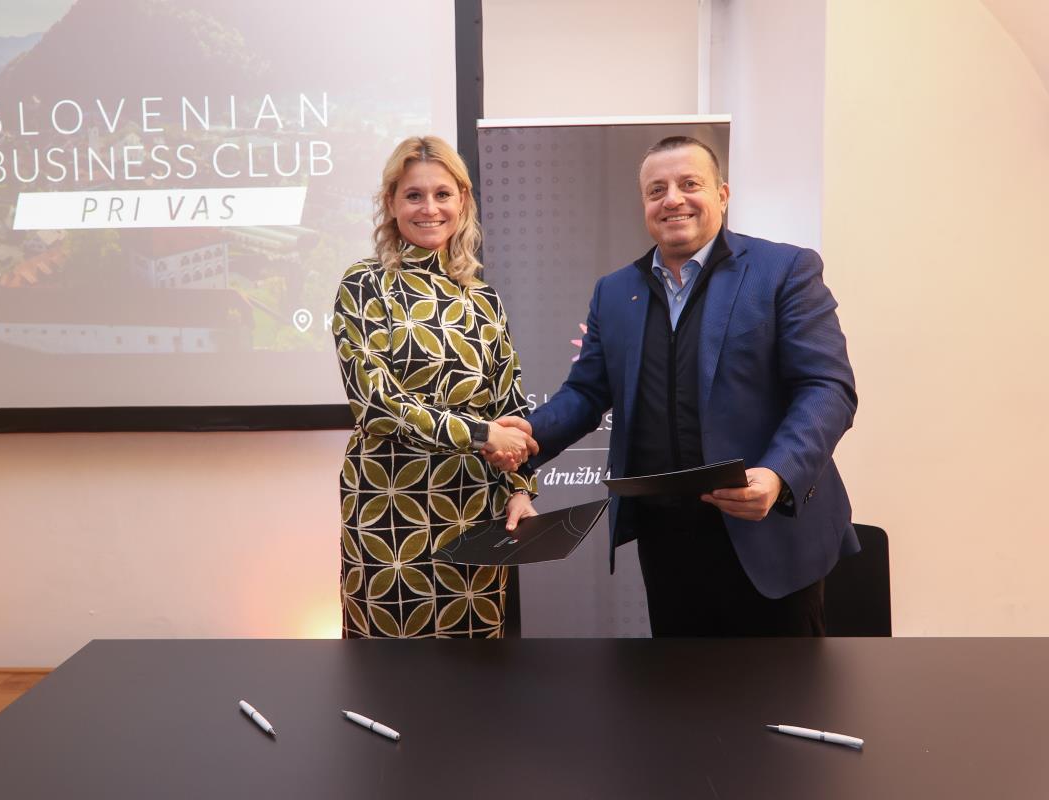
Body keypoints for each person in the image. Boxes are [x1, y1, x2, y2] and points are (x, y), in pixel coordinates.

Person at [487, 136, 858, 637]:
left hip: (771, 532)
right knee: (677, 684)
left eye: (690, 184)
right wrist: (531, 433)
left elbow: (827, 387)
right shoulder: (615, 291)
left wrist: (777, 474)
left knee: (782, 683)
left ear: (722, 194)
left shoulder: (784, 270)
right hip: (668, 542)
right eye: (656, 190)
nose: (673, 199)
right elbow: (587, 393)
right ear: (644, 203)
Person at [332, 135, 538, 638]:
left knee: (475, 670)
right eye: (414, 195)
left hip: (475, 512)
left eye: (443, 194)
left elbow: (509, 404)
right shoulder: (364, 284)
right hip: (387, 513)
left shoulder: (484, 300)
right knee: (387, 666)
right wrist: (482, 434)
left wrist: (520, 488)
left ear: (462, 200)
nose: (429, 208)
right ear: (390, 203)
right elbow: (377, 403)